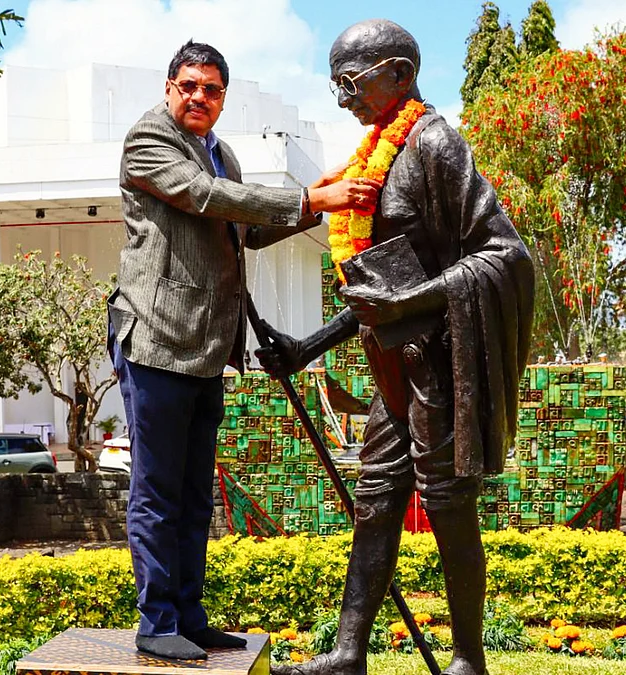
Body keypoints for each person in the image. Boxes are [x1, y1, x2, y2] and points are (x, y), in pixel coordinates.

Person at [256, 20, 535, 675]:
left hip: (439, 368)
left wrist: (406, 306)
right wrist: (306, 347)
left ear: (400, 75)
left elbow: (505, 255)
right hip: (394, 376)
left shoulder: (434, 143)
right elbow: (380, 291)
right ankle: (349, 653)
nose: (342, 98)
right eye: (335, 85)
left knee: (448, 509)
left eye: (351, 82)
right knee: (376, 504)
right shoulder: (373, 154)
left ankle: (468, 660)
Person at [107, 40, 380, 662]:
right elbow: (206, 197)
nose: (198, 97)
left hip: (208, 346)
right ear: (169, 87)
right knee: (158, 491)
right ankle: (156, 623)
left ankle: (190, 617)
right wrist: (310, 200)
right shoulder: (148, 140)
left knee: (195, 493)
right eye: (188, 85)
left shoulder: (221, 152)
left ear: (223, 98)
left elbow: (246, 230)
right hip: (155, 338)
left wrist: (315, 201)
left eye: (211, 89)